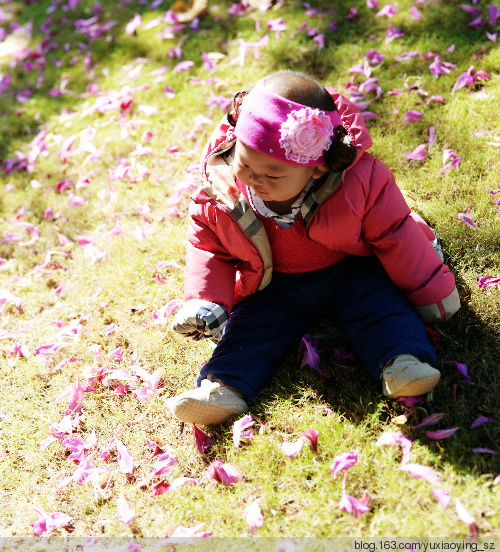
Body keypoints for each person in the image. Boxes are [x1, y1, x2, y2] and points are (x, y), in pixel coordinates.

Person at [166, 71, 460, 425]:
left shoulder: (360, 181)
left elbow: (396, 234)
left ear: (317, 168)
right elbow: (208, 246)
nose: (255, 180)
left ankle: (403, 363)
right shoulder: (223, 190)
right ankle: (224, 387)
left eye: (272, 175)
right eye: (245, 163)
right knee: (252, 329)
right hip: (275, 285)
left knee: (381, 309)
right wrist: (206, 300)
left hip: (351, 271)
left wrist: (432, 293)